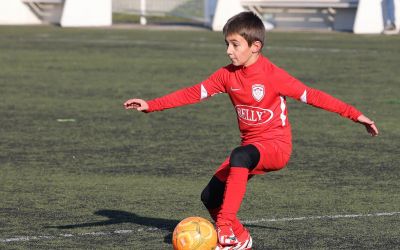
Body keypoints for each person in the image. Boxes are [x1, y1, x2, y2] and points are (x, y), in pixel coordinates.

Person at [124, 11, 379, 250]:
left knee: (240, 156)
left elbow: (313, 96)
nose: (228, 51)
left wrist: (355, 115)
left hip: (276, 148)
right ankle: (241, 238)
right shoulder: (226, 76)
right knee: (209, 196)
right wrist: (151, 105)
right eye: (227, 44)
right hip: (250, 147)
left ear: (255, 46)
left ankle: (224, 227)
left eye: (235, 45)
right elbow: (193, 93)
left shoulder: (273, 75)